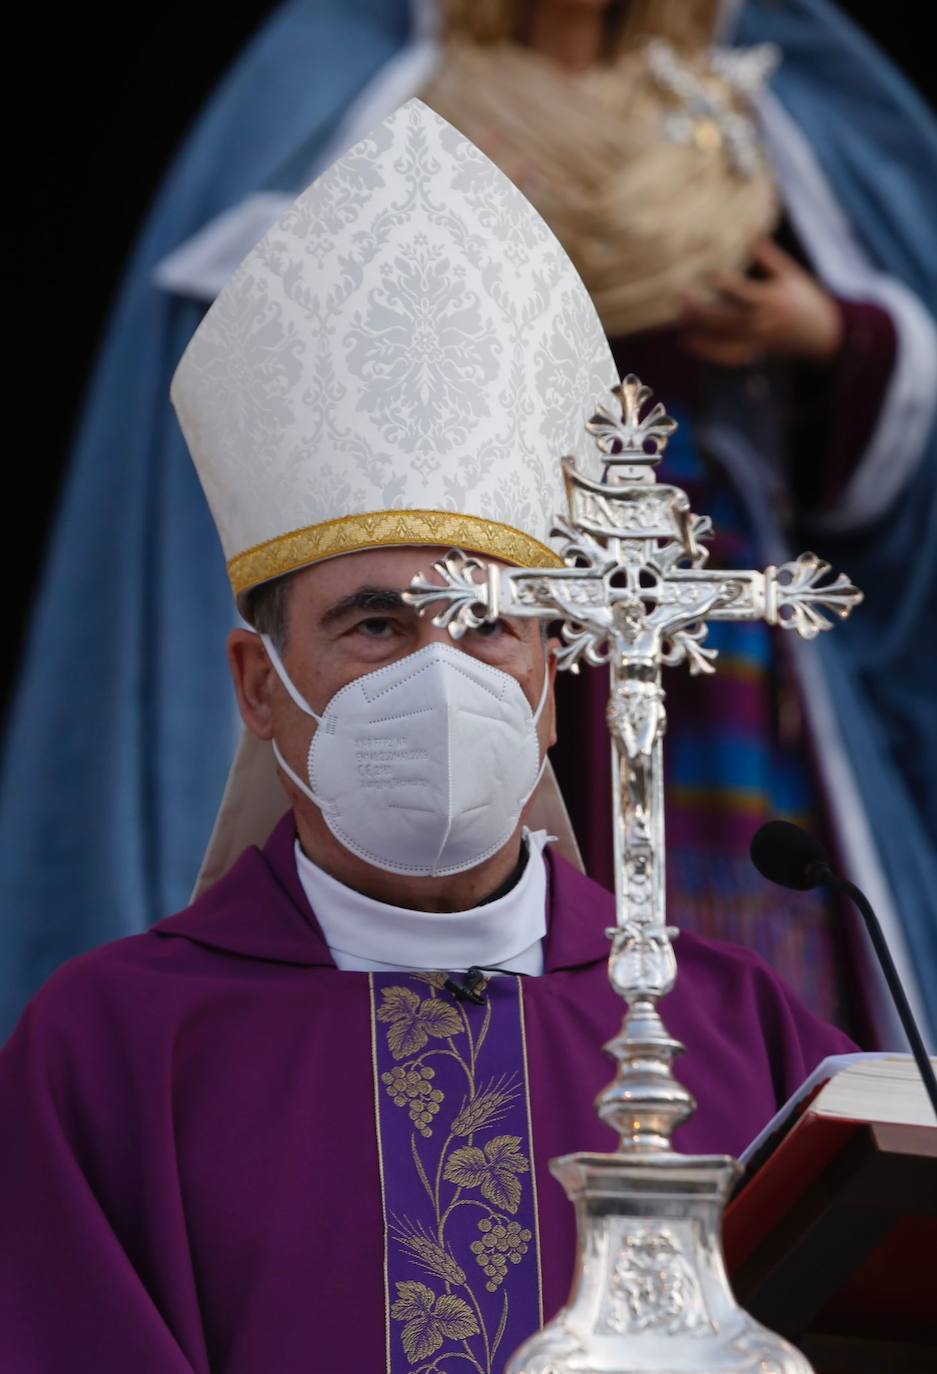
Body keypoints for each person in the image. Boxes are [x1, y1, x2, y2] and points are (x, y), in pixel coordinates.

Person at [0, 102, 855, 1374]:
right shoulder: (111, 1051)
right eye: (377, 624)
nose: (441, 672)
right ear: (259, 684)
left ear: (553, 676)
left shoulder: (754, 1040)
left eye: (490, 626)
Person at [3, 0, 933, 1045]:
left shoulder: (742, 103)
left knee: (727, 946)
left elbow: (888, 380)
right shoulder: (373, 88)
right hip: (461, 556)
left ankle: (713, 1080)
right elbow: (252, 303)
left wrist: (836, 337)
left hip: (692, 576)